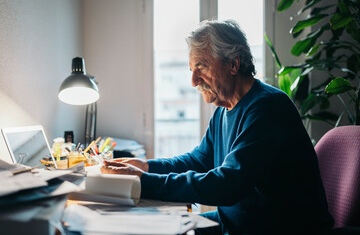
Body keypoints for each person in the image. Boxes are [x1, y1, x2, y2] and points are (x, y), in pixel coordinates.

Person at [101, 20, 334, 235]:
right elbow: (198, 160)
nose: (193, 80)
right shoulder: (223, 110)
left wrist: (144, 181)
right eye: (191, 69)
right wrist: (146, 166)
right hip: (241, 223)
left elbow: (228, 184)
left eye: (201, 67)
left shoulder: (268, 107)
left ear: (234, 64)